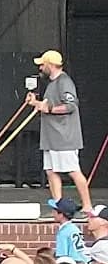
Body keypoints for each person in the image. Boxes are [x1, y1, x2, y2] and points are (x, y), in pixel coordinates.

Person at [25, 50, 92, 213]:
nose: (40, 68)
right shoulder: (52, 84)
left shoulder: (64, 82)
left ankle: (88, 205)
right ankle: (58, 205)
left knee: (73, 170)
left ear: (50, 65)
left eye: (42, 64)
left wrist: (48, 108)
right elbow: (47, 106)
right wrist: (35, 103)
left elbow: (70, 106)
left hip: (64, 137)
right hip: (51, 138)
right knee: (51, 171)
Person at [48, 198, 88, 263]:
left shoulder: (63, 232)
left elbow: (62, 258)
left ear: (61, 215)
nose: (53, 214)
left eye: (54, 211)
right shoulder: (74, 228)